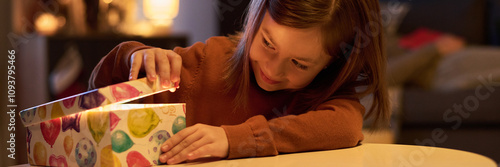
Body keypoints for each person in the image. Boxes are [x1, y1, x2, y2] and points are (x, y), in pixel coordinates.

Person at [89, 0, 390, 165]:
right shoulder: (207, 62)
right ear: (256, 19)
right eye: (268, 44)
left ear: (331, 63)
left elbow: (346, 126)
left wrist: (235, 139)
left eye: (300, 63)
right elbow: (96, 98)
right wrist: (130, 55)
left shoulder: (322, 94)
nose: (273, 69)